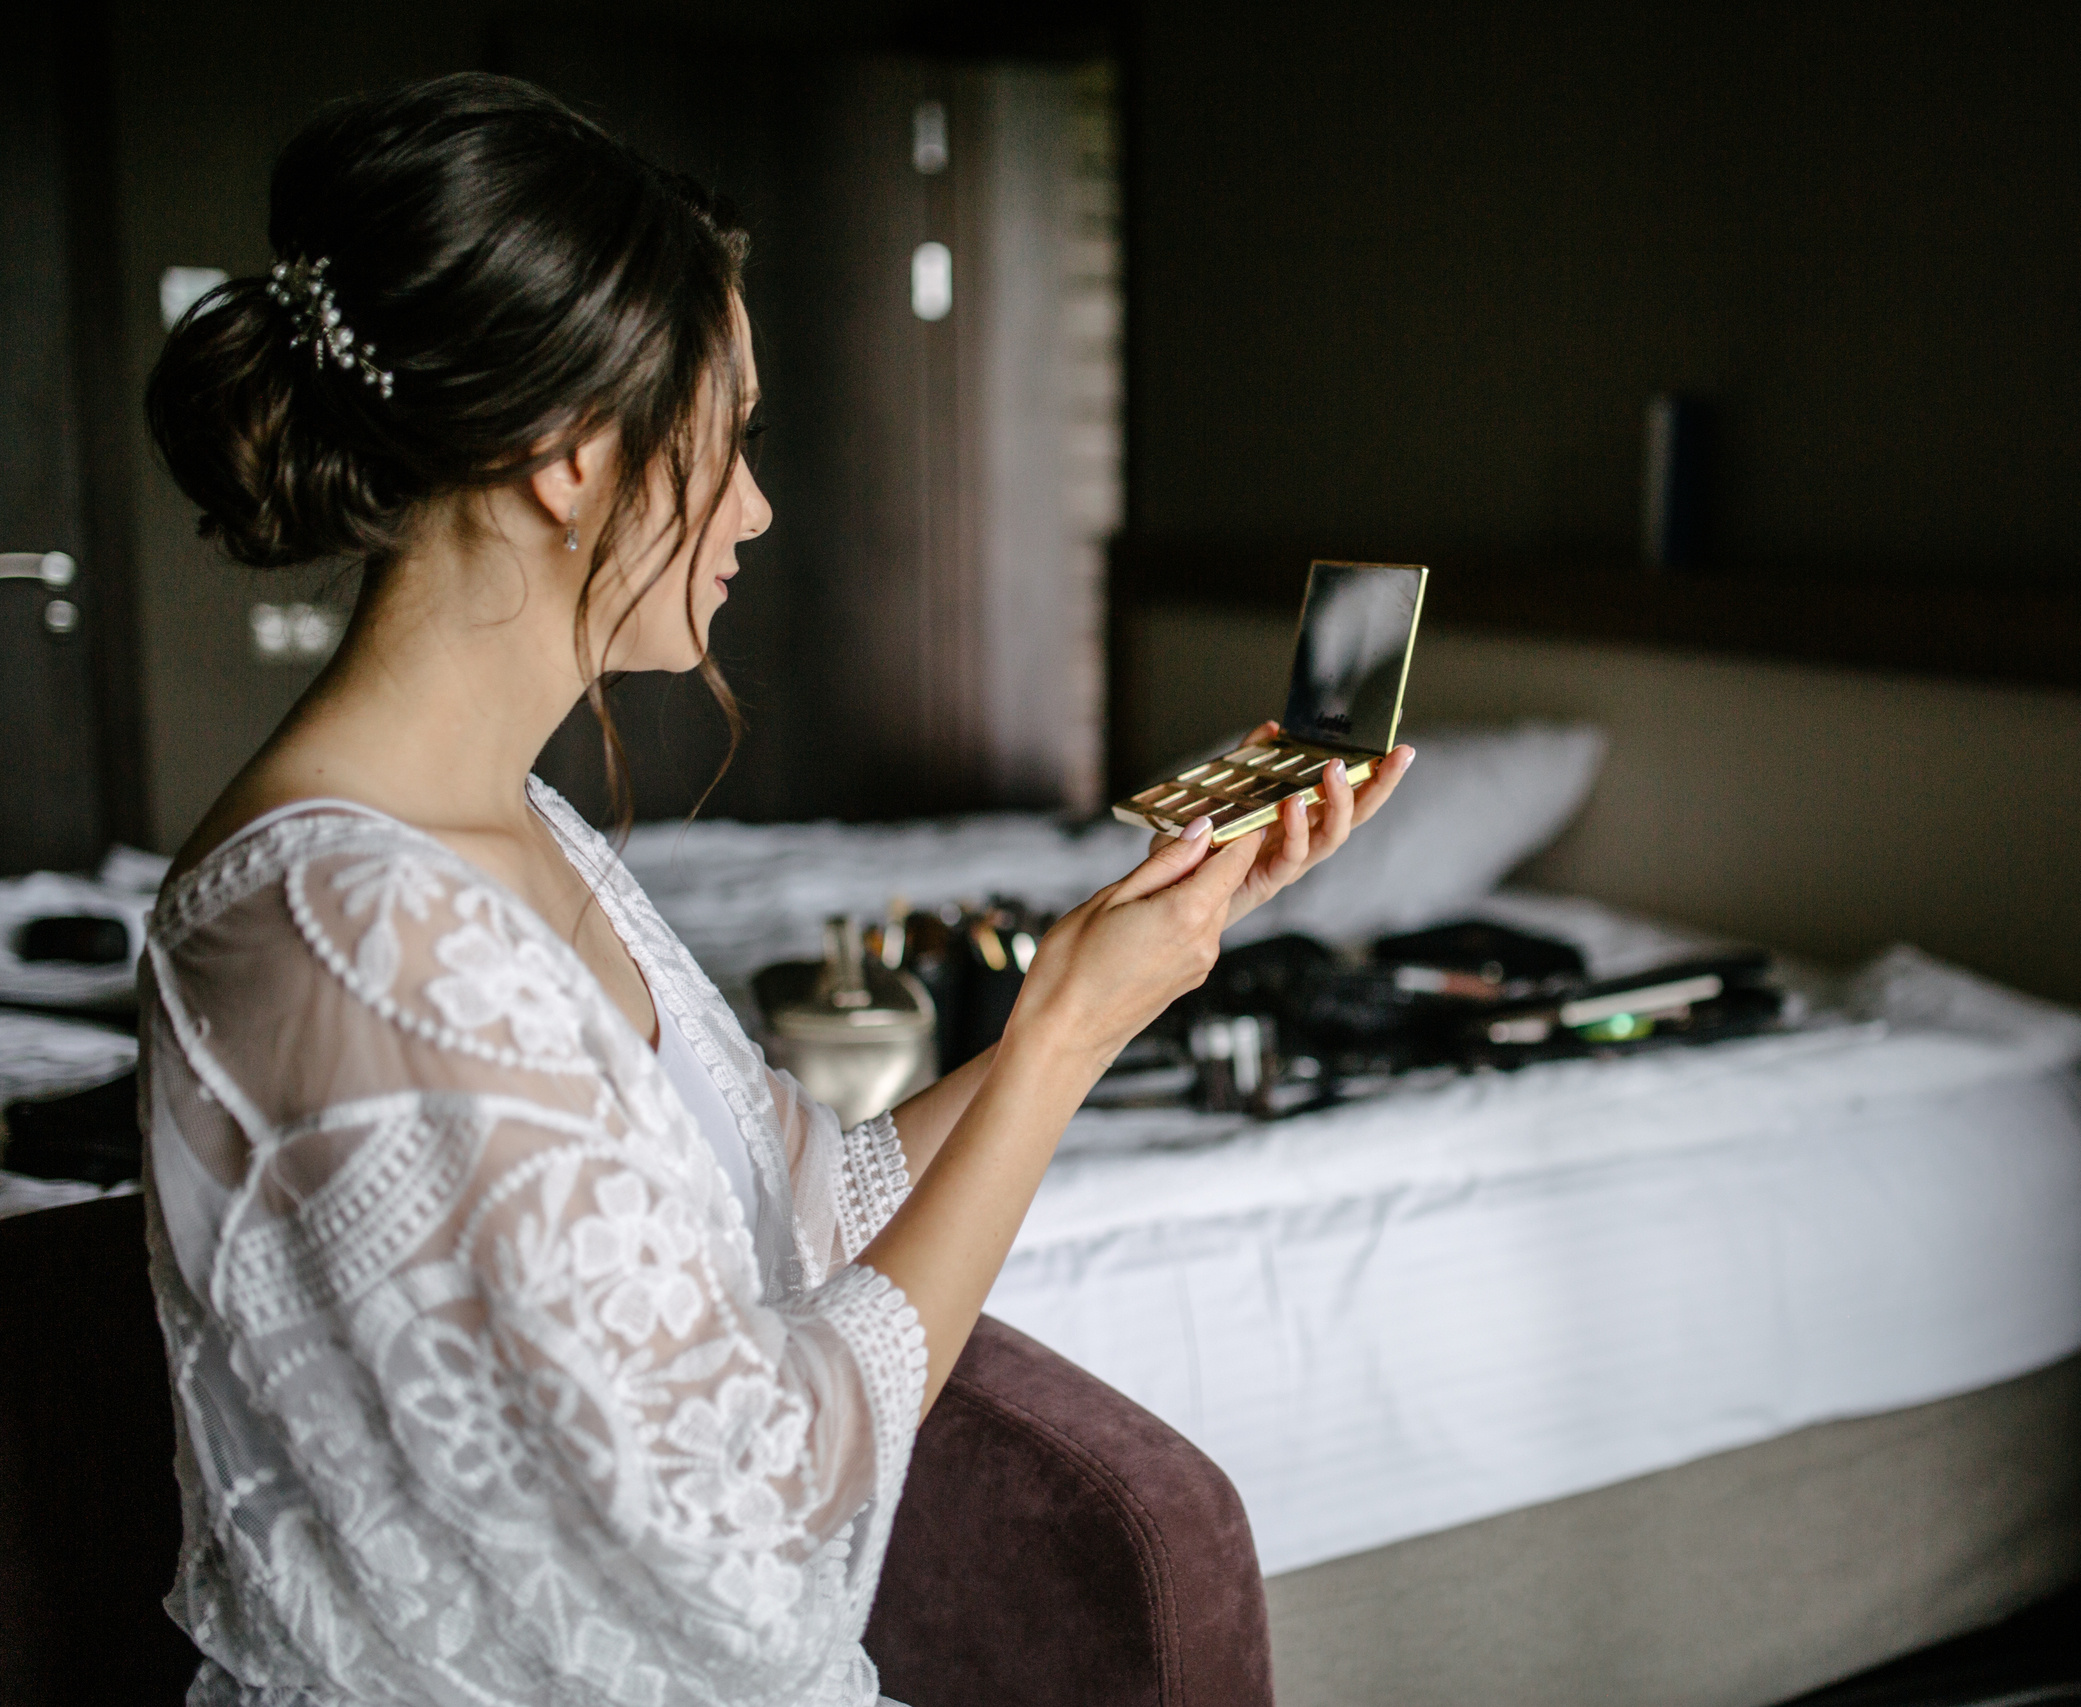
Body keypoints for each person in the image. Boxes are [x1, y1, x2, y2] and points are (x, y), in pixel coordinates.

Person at [138, 73, 1410, 1707]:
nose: (754, 505)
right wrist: (1059, 1052)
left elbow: (800, 1216)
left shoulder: (520, 833)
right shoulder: (355, 930)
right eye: (729, 437)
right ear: (566, 457)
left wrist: (1106, 975)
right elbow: (750, 1541)